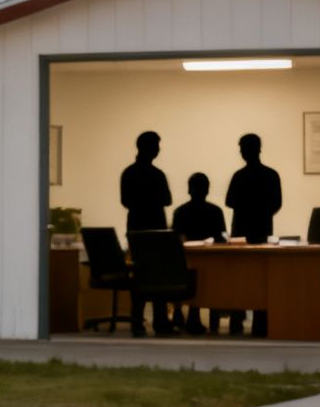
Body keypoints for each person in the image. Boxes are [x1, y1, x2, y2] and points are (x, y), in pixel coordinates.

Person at [224, 132, 282, 337]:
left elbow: (230, 202)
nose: (241, 152)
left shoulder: (239, 176)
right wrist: (261, 211)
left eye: (242, 148)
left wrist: (246, 207)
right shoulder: (271, 175)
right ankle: (260, 323)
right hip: (262, 231)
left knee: (239, 278)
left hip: (241, 232)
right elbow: (277, 204)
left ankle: (236, 321)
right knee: (260, 278)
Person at [120, 131, 175, 335]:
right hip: (155, 230)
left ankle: (137, 321)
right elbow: (167, 200)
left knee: (140, 276)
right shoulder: (157, 175)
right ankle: (161, 322)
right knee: (157, 277)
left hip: (135, 228)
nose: (159, 150)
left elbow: (125, 201)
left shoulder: (129, 173)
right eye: (157, 146)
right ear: (150, 148)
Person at [170, 172, 227, 335]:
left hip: (185, 261)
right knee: (206, 277)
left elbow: (175, 239)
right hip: (211, 261)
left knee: (187, 273)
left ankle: (180, 312)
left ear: (189, 190)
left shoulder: (180, 212)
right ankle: (210, 318)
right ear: (207, 190)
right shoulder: (215, 211)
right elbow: (222, 238)